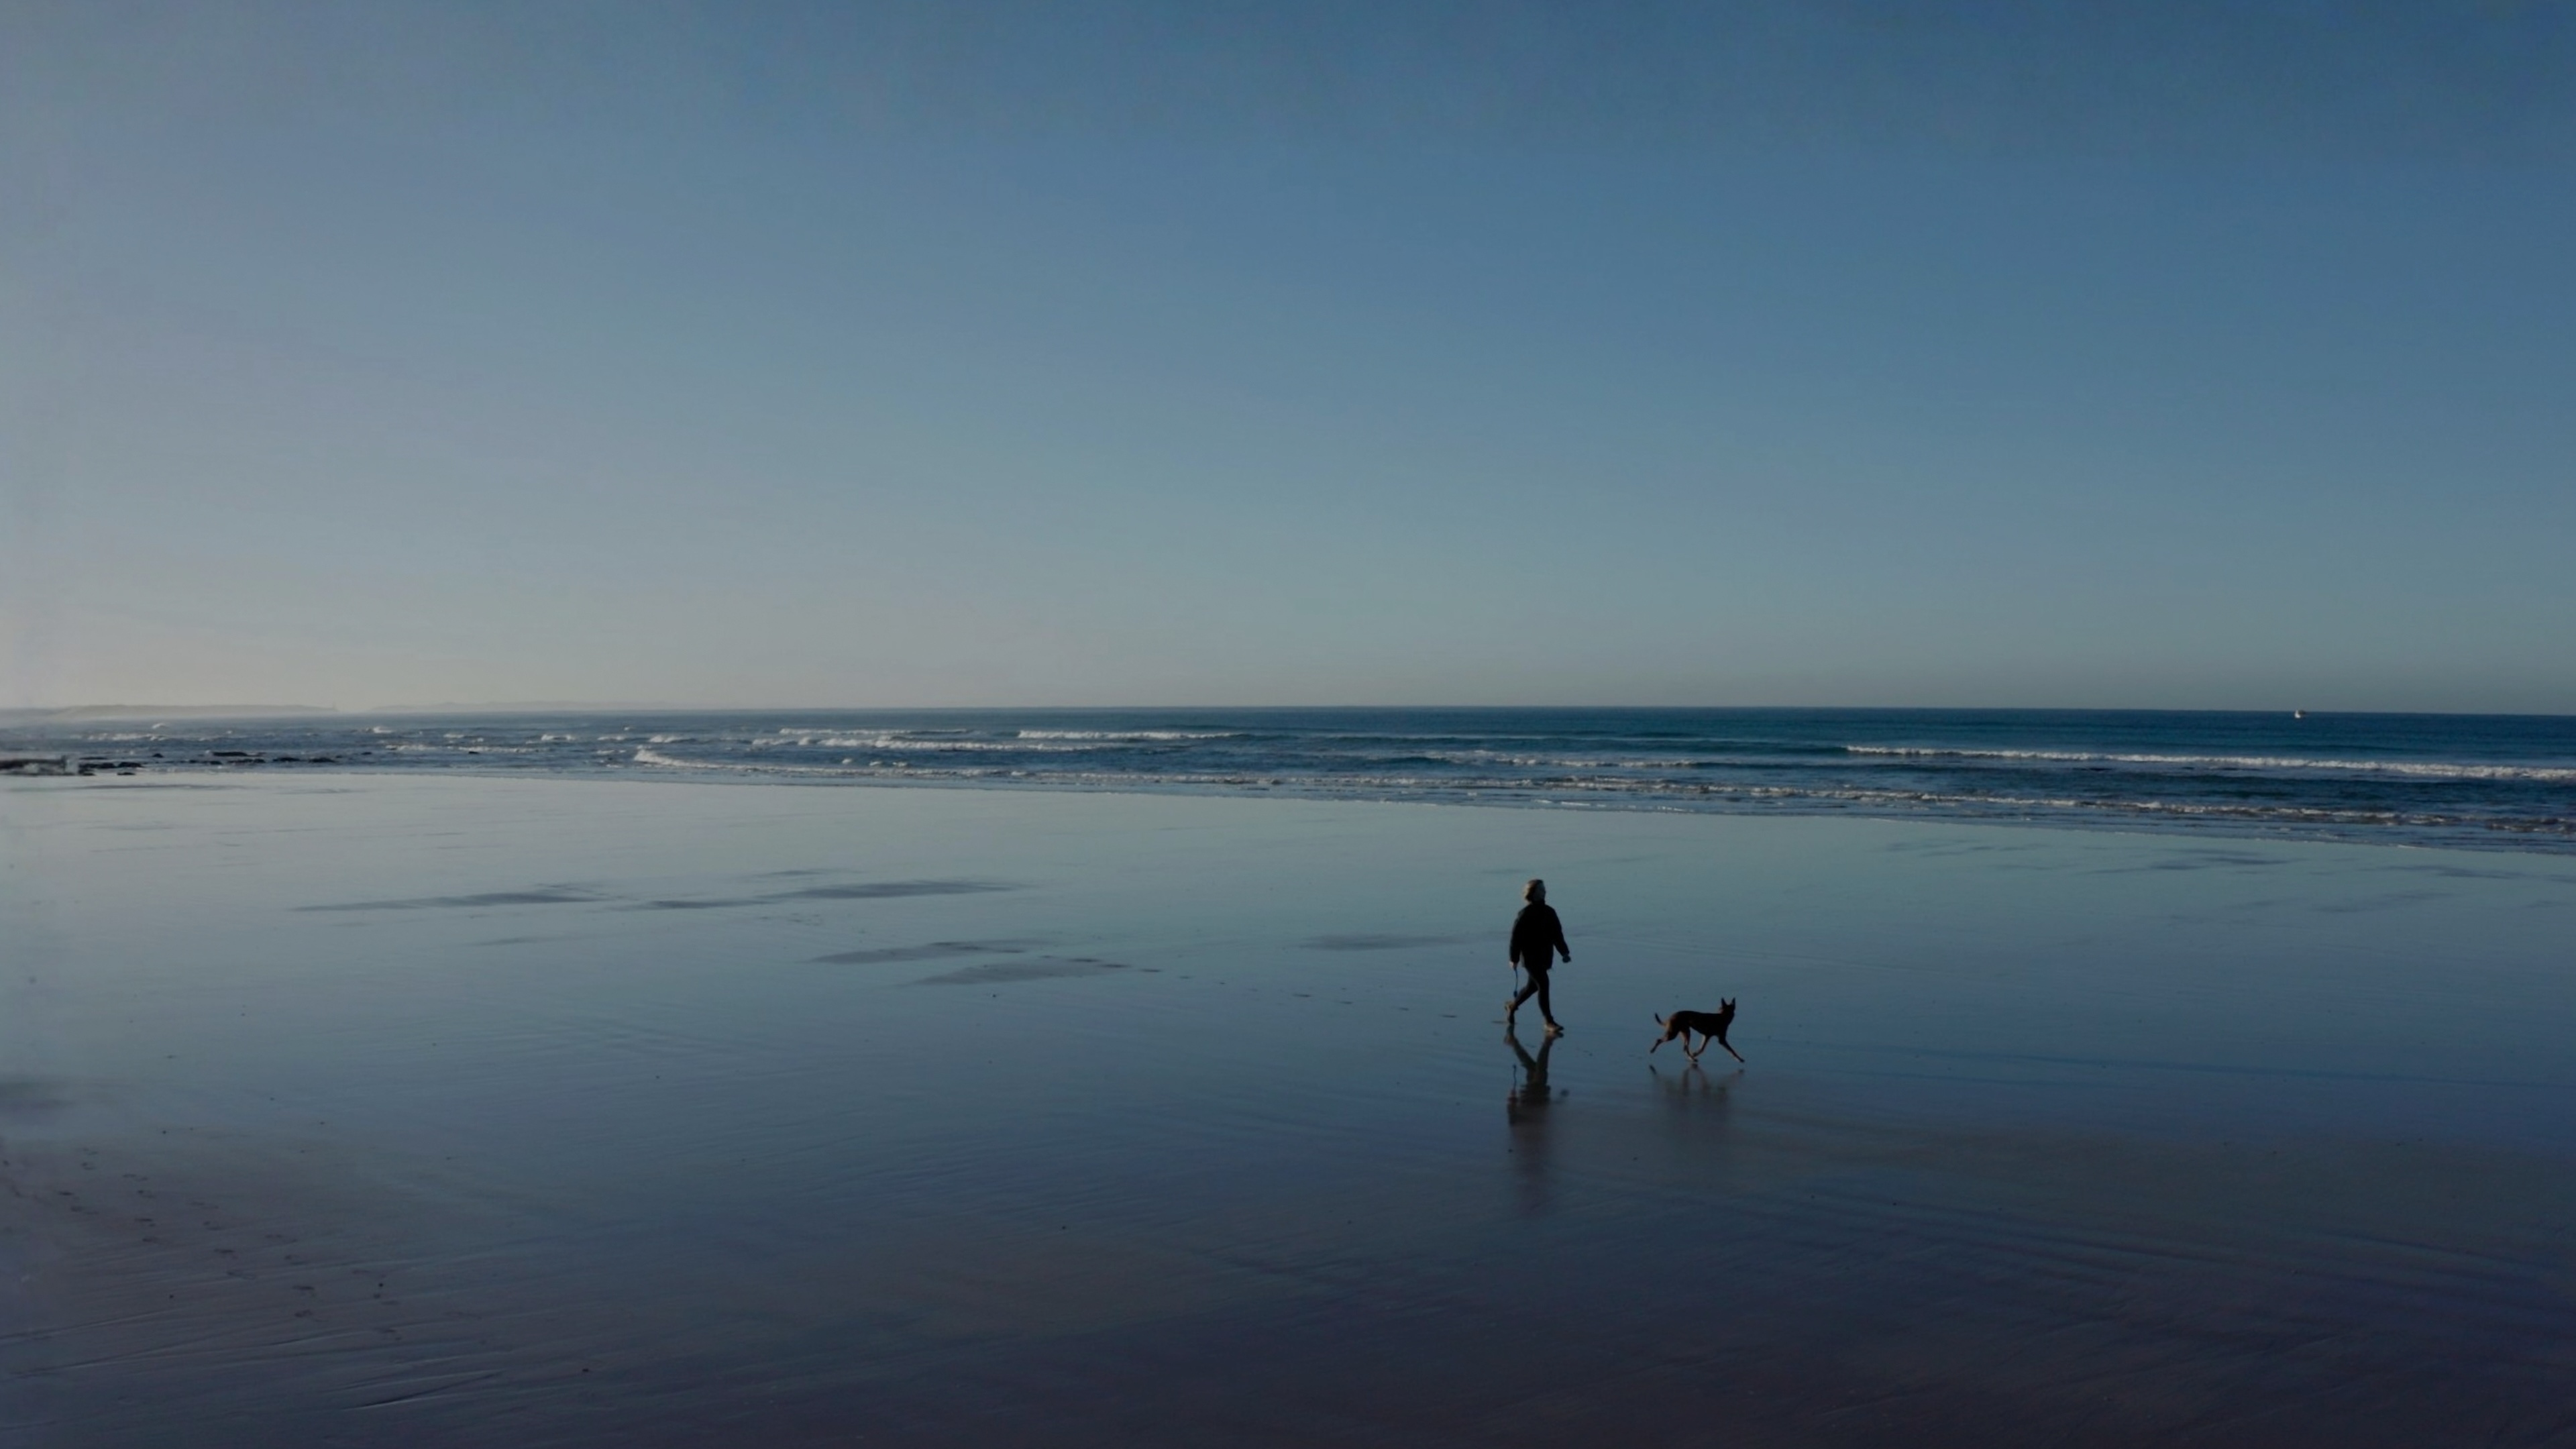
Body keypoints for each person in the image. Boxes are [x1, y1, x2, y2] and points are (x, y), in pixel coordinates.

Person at [1507, 877, 1570, 1036]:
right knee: (1543, 984)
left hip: (1545, 956)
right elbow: (1516, 937)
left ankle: (1512, 1006)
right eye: (1541, 890)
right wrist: (1513, 959)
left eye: (1544, 889)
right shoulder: (1525, 914)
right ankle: (1549, 1021)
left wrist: (1564, 952)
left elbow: (1557, 934)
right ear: (1532, 894)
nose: (1545, 892)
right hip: (1530, 958)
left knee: (1533, 987)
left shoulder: (1550, 912)